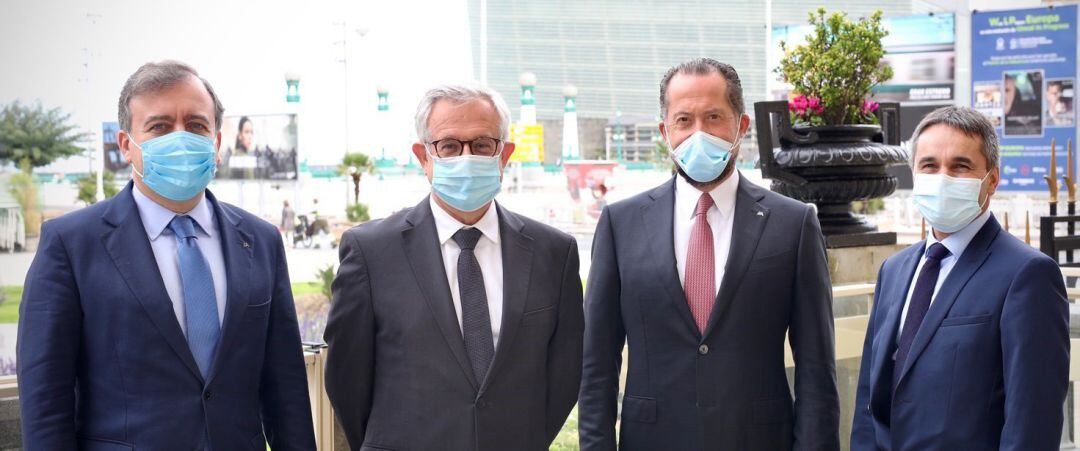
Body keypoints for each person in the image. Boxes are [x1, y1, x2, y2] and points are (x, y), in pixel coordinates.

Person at [17, 60, 315, 450]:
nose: (180, 138)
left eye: (196, 125)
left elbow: (285, 387)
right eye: (159, 127)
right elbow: (45, 398)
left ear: (217, 142)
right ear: (127, 145)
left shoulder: (260, 240)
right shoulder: (71, 244)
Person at [578, 58, 840, 450]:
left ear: (741, 126)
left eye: (714, 117)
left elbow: (817, 368)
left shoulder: (793, 223)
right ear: (665, 131)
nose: (698, 133)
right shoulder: (621, 223)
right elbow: (597, 364)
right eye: (684, 120)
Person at [324, 84, 584, 450]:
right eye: (448, 146)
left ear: (504, 154)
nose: (466, 157)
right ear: (424, 157)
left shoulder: (554, 252)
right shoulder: (370, 252)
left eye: (481, 145)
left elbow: (565, 373)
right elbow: (346, 378)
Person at [851, 106, 1068, 450]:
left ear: (992, 179)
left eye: (960, 166)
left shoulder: (1027, 275)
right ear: (914, 173)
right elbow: (869, 396)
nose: (943, 178)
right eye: (929, 165)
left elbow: (1032, 419)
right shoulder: (894, 271)